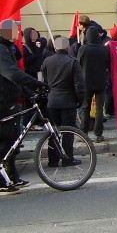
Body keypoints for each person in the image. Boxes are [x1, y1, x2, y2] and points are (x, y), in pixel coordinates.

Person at [0, 19, 49, 195]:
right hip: (2, 101)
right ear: (6, 32)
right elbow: (12, 74)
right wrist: (37, 83)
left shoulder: (6, 48)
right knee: (5, 139)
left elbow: (13, 79)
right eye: (15, 30)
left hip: (10, 98)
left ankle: (12, 176)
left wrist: (29, 92)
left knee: (14, 140)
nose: (18, 33)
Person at [41, 36, 85, 166]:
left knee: (53, 131)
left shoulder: (47, 61)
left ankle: (53, 159)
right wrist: (79, 100)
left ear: (55, 47)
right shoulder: (72, 62)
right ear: (68, 47)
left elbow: (45, 80)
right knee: (68, 132)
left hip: (52, 101)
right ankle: (67, 158)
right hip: (68, 101)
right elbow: (79, 84)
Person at [77, 26, 110, 143]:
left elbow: (78, 64)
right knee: (99, 110)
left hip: (86, 83)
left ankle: (84, 133)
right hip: (101, 82)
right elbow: (108, 64)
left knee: (85, 108)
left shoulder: (83, 49)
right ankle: (98, 134)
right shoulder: (104, 49)